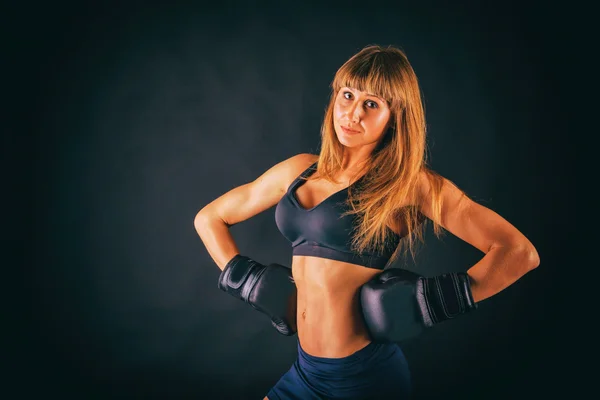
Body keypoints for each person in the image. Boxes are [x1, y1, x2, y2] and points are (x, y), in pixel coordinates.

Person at [194, 44, 540, 399]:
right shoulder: (298, 170)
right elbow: (210, 218)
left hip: (365, 379)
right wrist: (248, 281)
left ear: (396, 116)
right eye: (347, 95)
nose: (352, 114)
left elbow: (518, 252)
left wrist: (431, 303)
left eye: (371, 104)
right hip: (305, 373)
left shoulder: (411, 186)